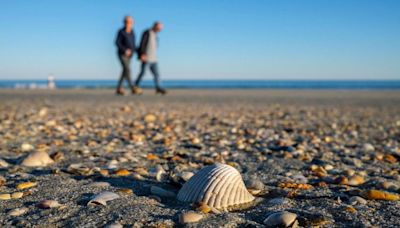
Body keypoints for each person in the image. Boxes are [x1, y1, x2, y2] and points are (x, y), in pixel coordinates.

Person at [133, 21, 167, 95]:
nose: (159, 30)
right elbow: (142, 43)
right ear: (155, 26)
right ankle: (135, 86)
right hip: (146, 57)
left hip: (154, 58)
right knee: (143, 72)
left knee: (157, 74)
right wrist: (142, 54)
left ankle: (158, 87)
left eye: (160, 29)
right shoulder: (147, 32)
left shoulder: (155, 35)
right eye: (159, 28)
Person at [115, 16, 136, 95]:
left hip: (130, 55)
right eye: (127, 22)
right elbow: (117, 42)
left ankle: (119, 88)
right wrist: (125, 50)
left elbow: (133, 44)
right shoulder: (121, 31)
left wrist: (135, 51)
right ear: (124, 22)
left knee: (124, 71)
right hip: (122, 54)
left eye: (131, 22)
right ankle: (132, 87)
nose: (129, 23)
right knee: (127, 69)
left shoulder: (132, 32)